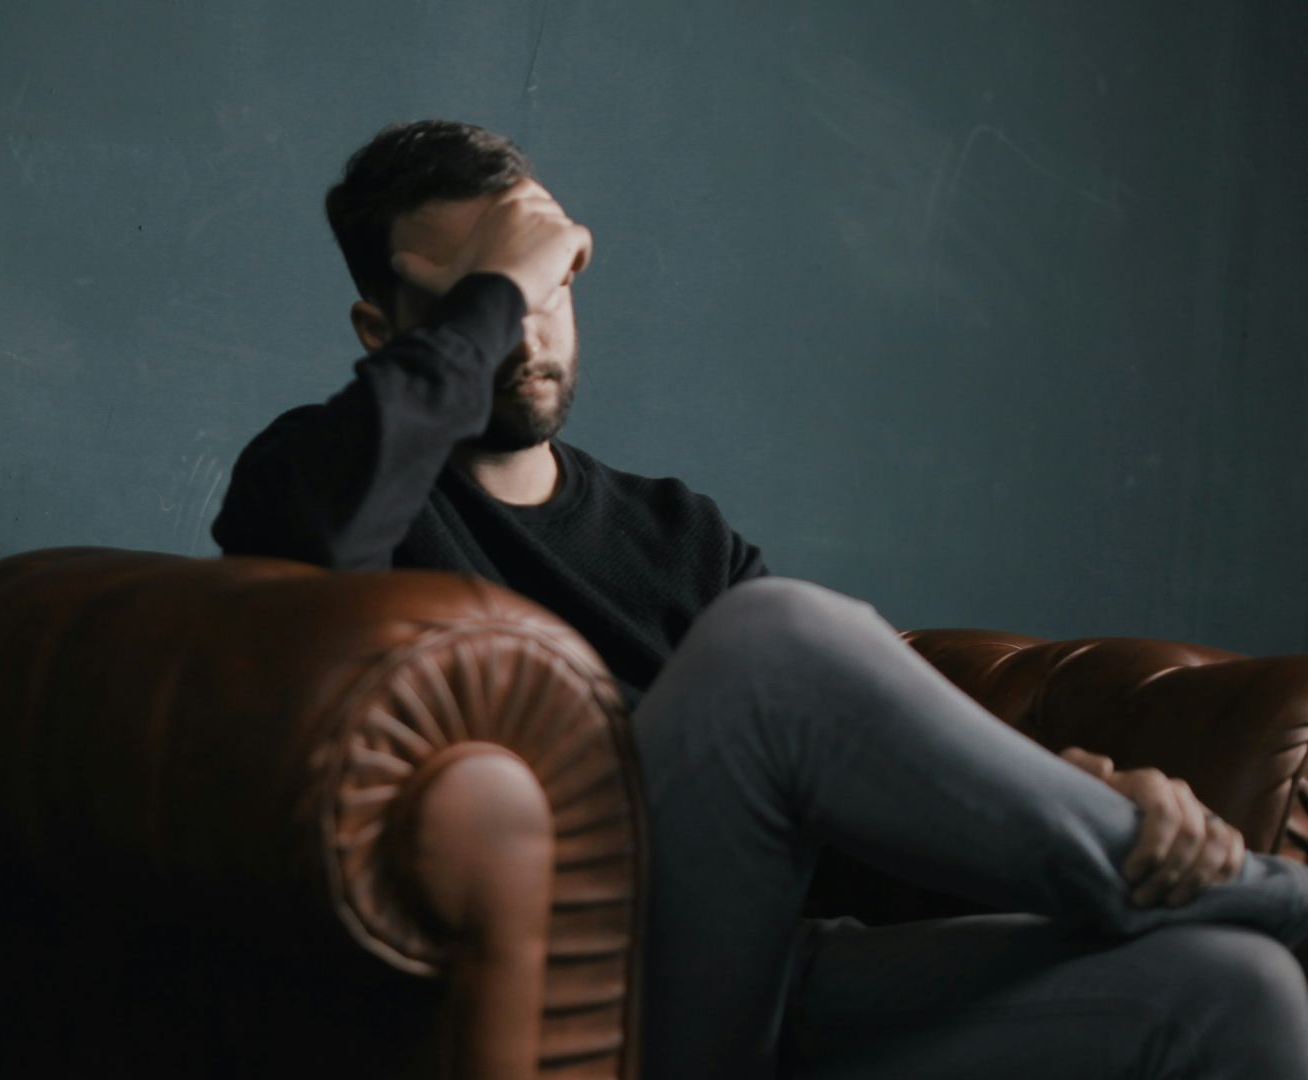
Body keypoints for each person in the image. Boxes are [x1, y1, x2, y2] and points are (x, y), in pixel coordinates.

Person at [211, 119, 1308, 1078]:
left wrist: (1059, 797)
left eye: (548, 290)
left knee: (1237, 988)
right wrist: (503, 282)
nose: (528, 333)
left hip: (765, 988)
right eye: (482, 303)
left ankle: (1212, 896)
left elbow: (848, 820)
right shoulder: (316, 477)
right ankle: (1272, 896)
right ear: (383, 333)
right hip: (574, 1005)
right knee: (774, 639)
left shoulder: (678, 532)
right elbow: (330, 532)